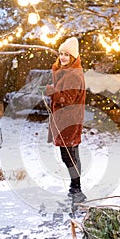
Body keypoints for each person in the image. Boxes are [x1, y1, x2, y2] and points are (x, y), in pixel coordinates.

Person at [45, 37, 86, 203]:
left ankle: (77, 188)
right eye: (61, 54)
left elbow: (67, 99)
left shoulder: (73, 75)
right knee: (72, 154)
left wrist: (52, 92)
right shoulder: (66, 72)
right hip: (67, 119)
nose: (63, 57)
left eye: (66, 55)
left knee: (68, 155)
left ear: (73, 57)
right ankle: (75, 187)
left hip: (69, 120)